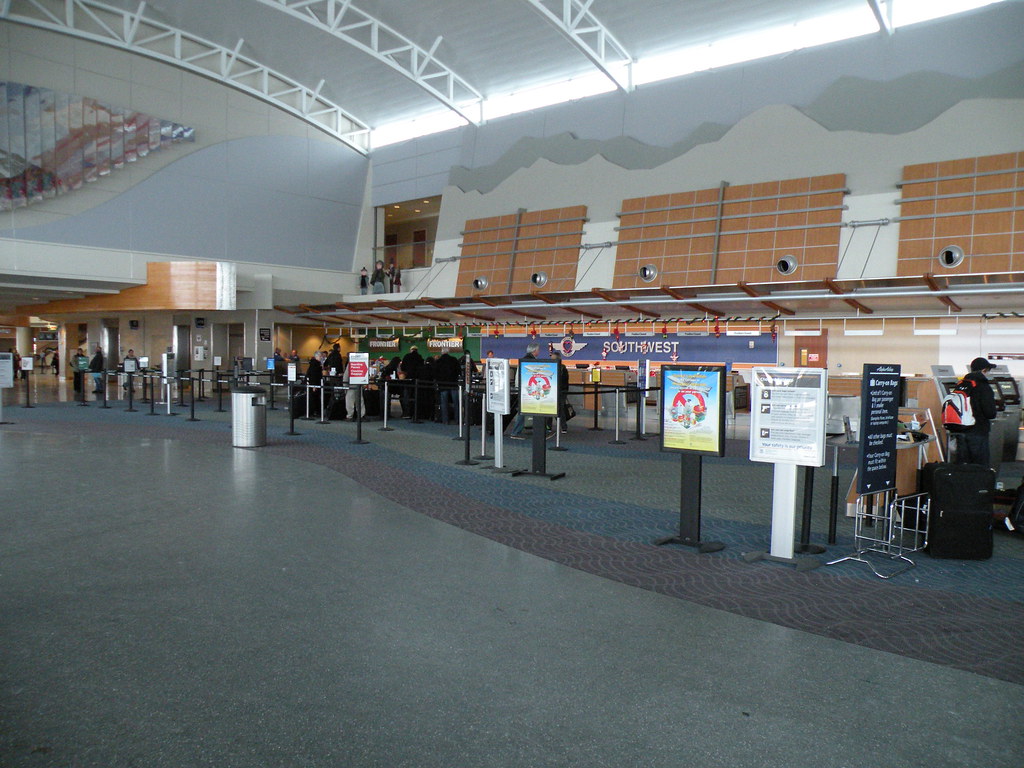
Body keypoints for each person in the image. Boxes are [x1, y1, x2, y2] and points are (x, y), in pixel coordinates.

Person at [955, 357, 998, 467]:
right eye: (988, 370)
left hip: (960, 430)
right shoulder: (983, 387)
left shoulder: (960, 385)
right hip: (978, 430)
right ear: (984, 370)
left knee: (962, 466)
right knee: (979, 467)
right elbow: (990, 413)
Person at [508, 342, 540, 439]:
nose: (539, 351)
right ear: (534, 350)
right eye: (538, 350)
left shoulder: (524, 359)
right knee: (525, 411)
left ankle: (521, 430)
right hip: (528, 390)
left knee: (525, 411)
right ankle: (516, 432)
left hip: (523, 389)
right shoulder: (531, 361)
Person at [434, 349, 460, 424]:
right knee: (456, 403)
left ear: (441, 353)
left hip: (443, 385)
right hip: (453, 384)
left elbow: (435, 373)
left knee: (444, 403)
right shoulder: (454, 360)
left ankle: (445, 420)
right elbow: (458, 371)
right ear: (448, 352)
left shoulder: (438, 361)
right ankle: (457, 420)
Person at [550, 350, 570, 433]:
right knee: (552, 408)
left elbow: (564, 381)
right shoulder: (558, 367)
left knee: (560, 409)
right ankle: (549, 426)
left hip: (560, 391)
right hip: (555, 390)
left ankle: (563, 426)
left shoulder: (562, 368)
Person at [343, 355, 365, 420]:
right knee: (360, 401)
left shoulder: (350, 364)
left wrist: (345, 386)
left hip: (351, 385)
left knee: (350, 401)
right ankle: (361, 415)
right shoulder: (362, 364)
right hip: (359, 384)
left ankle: (350, 416)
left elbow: (346, 376)